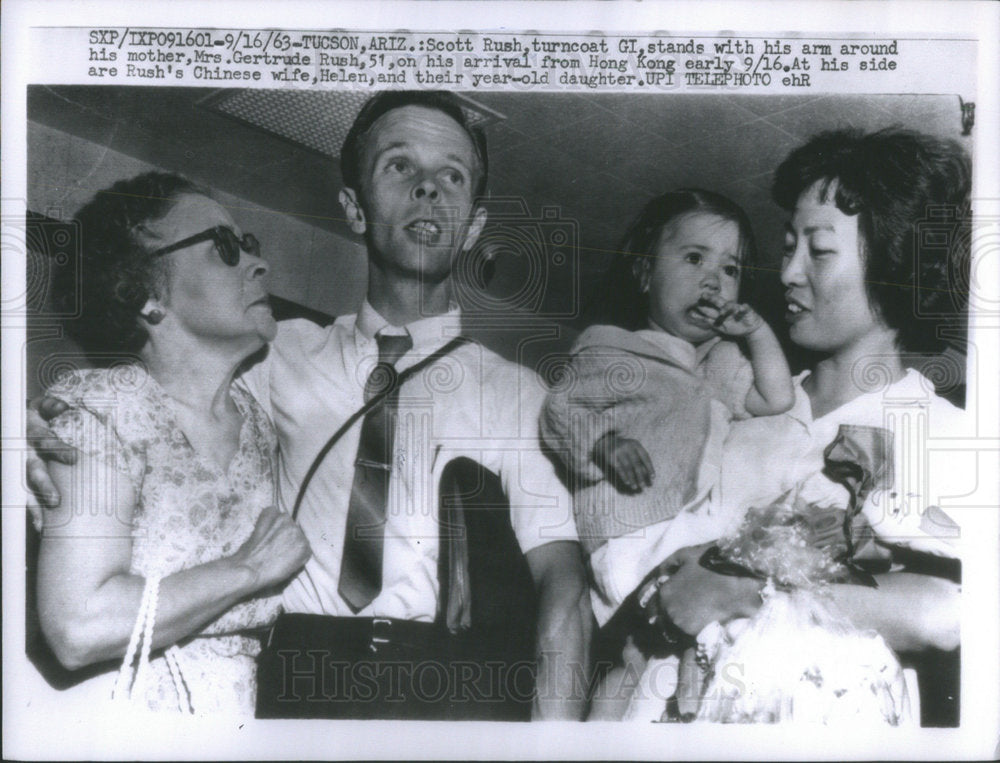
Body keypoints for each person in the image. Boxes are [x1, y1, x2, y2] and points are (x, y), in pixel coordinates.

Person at [29, 91, 590, 721]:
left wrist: (554, 744)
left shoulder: (519, 394)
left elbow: (561, 588)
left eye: (452, 175)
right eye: (400, 167)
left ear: (476, 224)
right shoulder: (272, 353)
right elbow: (162, 383)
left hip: (441, 688)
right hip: (288, 678)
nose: (429, 189)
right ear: (353, 207)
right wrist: (33, 433)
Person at [642, 128, 969, 725]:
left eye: (818, 251)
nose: (787, 272)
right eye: (788, 246)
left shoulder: (941, 434)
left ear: (895, 264)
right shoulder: (737, 411)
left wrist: (746, 593)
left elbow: (951, 615)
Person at [32, 173, 312, 714]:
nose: (259, 264)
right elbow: (77, 625)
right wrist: (247, 569)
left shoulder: (259, 424)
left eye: (248, 244)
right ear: (146, 296)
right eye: (224, 247)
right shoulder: (102, 409)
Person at [539, 189, 793, 719]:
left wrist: (759, 332)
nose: (713, 280)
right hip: (630, 530)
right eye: (694, 258)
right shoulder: (613, 348)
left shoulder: (719, 364)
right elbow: (560, 410)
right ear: (644, 274)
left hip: (676, 534)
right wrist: (604, 445)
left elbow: (777, 397)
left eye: (731, 270)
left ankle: (615, 735)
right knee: (724, 589)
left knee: (637, 656)